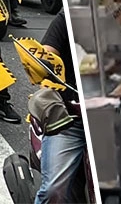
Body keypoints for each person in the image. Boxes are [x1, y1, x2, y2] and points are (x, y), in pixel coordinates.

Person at [34, 11, 86, 204]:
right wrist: (43, 65)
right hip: (70, 119)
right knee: (53, 191)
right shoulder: (68, 17)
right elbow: (47, 51)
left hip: (117, 119)